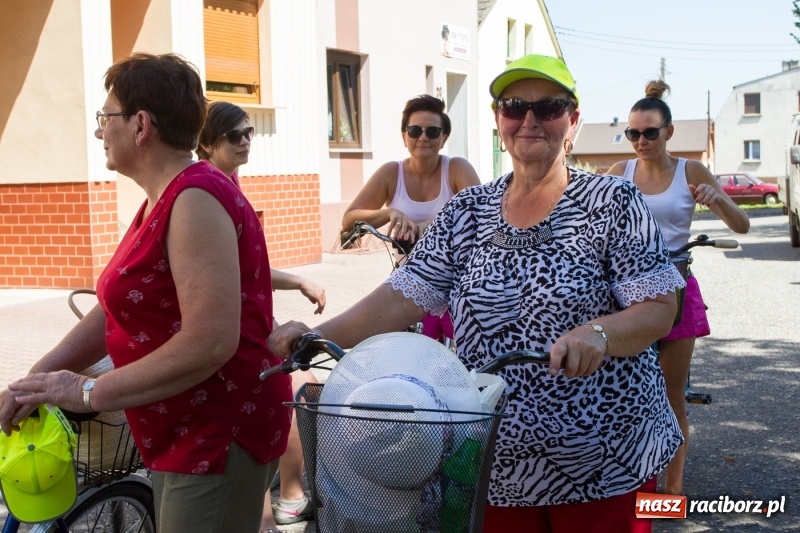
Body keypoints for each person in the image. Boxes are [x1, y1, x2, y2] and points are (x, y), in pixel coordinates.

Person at [271, 54, 686, 533]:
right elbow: (402, 295)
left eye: (548, 107)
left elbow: (659, 307)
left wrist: (599, 333)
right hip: (493, 454)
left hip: (603, 455)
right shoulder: (469, 210)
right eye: (513, 106)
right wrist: (314, 334)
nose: (529, 119)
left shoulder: (613, 201)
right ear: (498, 120)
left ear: (572, 120)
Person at [0, 53, 292, 533]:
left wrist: (87, 390)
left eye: (105, 118)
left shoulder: (195, 199)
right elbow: (113, 310)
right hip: (181, 433)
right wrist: (41, 378)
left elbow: (211, 342)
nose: (99, 132)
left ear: (140, 126)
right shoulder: (165, 196)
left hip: (216, 436)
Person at [607, 80, 749, 496]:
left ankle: (672, 489)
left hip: (677, 286)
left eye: (650, 132)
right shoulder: (620, 174)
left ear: (669, 132)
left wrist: (715, 199)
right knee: (625, 394)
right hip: (627, 294)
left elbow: (741, 226)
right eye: (633, 133)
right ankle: (630, 482)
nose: (641, 141)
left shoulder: (691, 170)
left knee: (672, 395)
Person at [196, 101, 320, 531]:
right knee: (292, 389)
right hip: (233, 337)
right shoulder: (207, 190)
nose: (246, 140)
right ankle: (280, 503)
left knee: (289, 391)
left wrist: (298, 282)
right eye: (235, 135)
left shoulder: (227, 181)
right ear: (207, 141)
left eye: (249, 132)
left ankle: (278, 502)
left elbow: (247, 266)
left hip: (247, 327)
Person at [340, 94, 480, 342]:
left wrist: (432, 225)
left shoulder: (456, 168)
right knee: (411, 353)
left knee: (462, 353)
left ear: (444, 138)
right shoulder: (391, 173)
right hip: (410, 282)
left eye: (433, 131)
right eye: (414, 130)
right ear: (404, 136)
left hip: (456, 284)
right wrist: (389, 213)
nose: (423, 137)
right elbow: (349, 219)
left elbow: (481, 216)